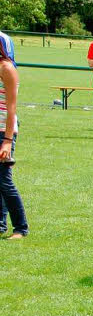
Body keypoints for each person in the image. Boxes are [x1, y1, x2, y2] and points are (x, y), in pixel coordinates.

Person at [0, 30, 27, 239]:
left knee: (4, 181)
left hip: (3, 131)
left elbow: (11, 108)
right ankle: (1, 224)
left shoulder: (6, 68)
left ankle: (20, 227)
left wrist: (8, 141)